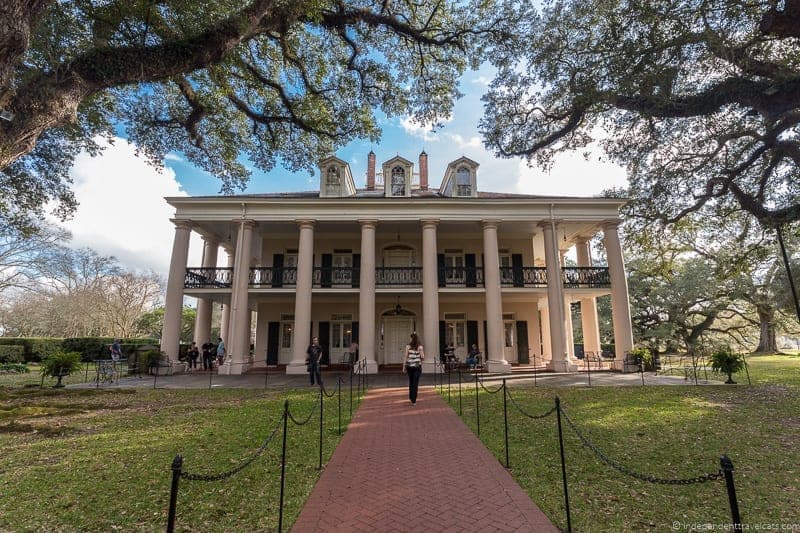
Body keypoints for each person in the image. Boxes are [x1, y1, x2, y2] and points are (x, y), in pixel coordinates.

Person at [402, 332, 424, 405]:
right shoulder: (420, 347)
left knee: (411, 382)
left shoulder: (408, 346)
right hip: (417, 367)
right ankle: (414, 400)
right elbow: (423, 357)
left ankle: (411, 397)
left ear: (412, 338)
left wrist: (404, 366)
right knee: (415, 383)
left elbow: (405, 357)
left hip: (410, 367)